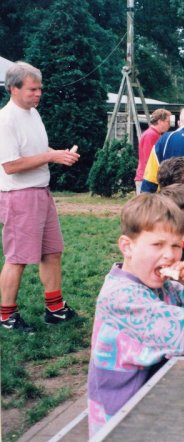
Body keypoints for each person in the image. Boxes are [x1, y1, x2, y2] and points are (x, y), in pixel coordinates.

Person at [87, 194, 184, 436]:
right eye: (158, 245)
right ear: (127, 247)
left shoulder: (164, 286)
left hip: (156, 404)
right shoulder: (122, 297)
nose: (170, 255)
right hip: (121, 423)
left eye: (176, 245)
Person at [0, 61, 80, 332]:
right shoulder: (6, 120)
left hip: (41, 193)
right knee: (18, 258)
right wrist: (51, 156)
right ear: (13, 89)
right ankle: (7, 316)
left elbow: (36, 150)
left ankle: (55, 309)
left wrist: (58, 154)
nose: (38, 94)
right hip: (19, 197)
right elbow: (11, 165)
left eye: (40, 89)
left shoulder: (32, 113)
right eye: (32, 89)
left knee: (52, 252)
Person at [135, 108, 171, 194]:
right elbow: (149, 159)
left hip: (149, 178)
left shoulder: (154, 134)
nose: (169, 125)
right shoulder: (151, 135)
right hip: (147, 179)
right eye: (168, 122)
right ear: (160, 121)